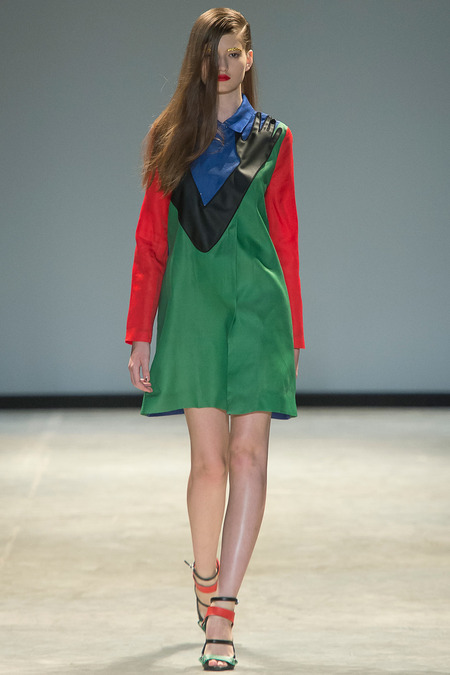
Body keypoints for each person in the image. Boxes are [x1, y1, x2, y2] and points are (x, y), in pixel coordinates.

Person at [126, 7, 304, 671]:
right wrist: (140, 332)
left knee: (248, 457)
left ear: (250, 59)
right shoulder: (169, 138)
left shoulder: (274, 140)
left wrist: (294, 334)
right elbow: (151, 242)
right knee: (210, 464)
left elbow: (285, 237)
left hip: (259, 311)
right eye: (212, 53)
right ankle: (205, 577)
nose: (223, 65)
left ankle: (223, 611)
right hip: (194, 312)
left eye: (234, 53)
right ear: (198, 61)